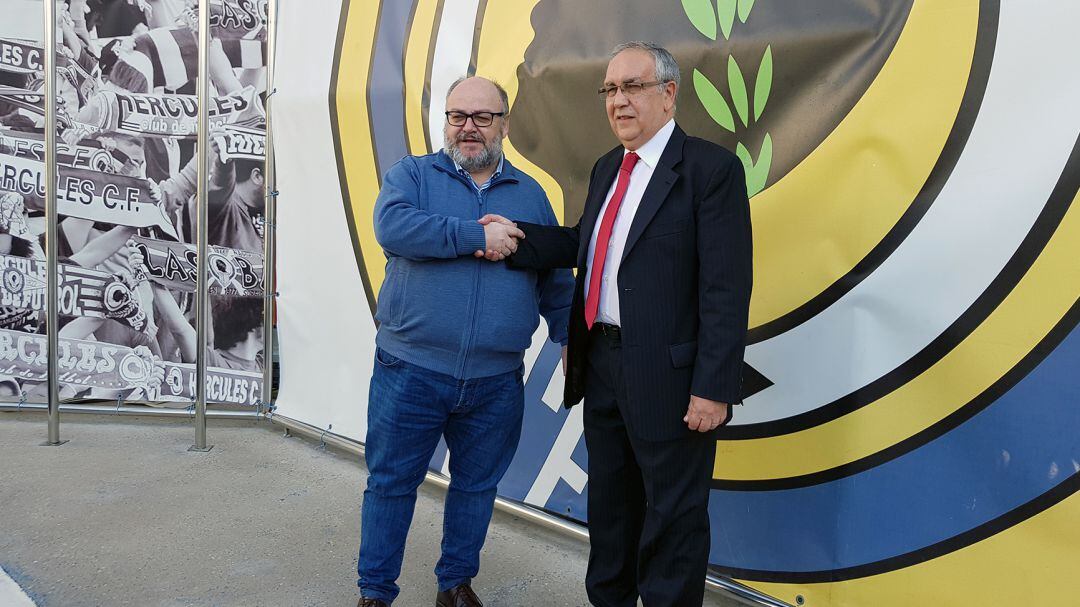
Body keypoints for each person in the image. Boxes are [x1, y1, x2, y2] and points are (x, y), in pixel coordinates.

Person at [499, 42, 753, 606]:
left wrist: (713, 388)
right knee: (610, 507)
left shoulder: (710, 171)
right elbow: (592, 246)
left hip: (671, 377)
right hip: (605, 365)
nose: (619, 101)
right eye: (610, 90)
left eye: (632, 87)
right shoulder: (607, 167)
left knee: (673, 515)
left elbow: (726, 290)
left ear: (668, 94)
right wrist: (516, 237)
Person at [356, 76, 574, 607]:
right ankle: (375, 593)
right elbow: (394, 228)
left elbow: (554, 277)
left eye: (482, 117)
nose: (468, 127)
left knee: (476, 489)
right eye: (458, 116)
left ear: (504, 124)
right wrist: (478, 236)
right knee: (390, 485)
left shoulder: (530, 194)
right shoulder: (412, 175)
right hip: (410, 370)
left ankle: (455, 585)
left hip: (496, 380)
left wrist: (571, 338)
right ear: (446, 121)